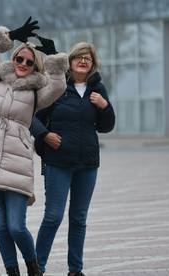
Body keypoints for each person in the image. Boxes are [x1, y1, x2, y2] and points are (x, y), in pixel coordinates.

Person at [0, 17, 69, 276]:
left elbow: (57, 86)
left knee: (16, 227)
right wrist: (8, 35)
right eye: (19, 59)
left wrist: (54, 57)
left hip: (16, 163)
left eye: (29, 62)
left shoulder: (37, 92)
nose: (22, 64)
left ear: (35, 66)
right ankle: (12, 272)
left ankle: (33, 267)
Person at [30, 42, 116, 276]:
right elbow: (33, 117)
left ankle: (75, 270)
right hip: (58, 162)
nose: (83, 61)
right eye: (79, 56)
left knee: (79, 219)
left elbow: (107, 126)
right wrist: (45, 135)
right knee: (53, 217)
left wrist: (104, 106)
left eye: (88, 58)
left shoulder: (97, 89)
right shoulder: (57, 86)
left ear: (92, 64)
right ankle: (37, 268)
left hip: (87, 164)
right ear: (70, 61)